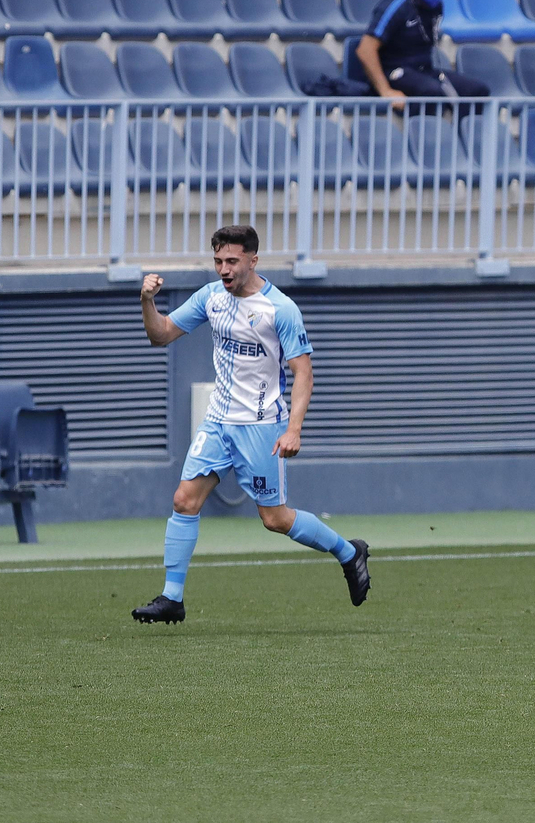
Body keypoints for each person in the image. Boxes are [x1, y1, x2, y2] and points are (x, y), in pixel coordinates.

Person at [130, 225, 370, 624]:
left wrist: (293, 430)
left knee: (274, 519)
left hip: (261, 428)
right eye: (218, 261)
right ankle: (172, 597)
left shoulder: (281, 309)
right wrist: (147, 302)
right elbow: (161, 335)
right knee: (184, 500)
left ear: (253, 260)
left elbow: (304, 372)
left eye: (232, 261)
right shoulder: (211, 297)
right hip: (218, 423)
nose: (224, 269)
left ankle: (349, 552)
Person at [357, 0, 489, 109]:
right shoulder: (396, 6)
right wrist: (386, 91)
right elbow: (365, 50)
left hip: (423, 71)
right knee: (431, 92)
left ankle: (462, 126)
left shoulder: (435, 6)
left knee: (477, 91)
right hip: (394, 71)